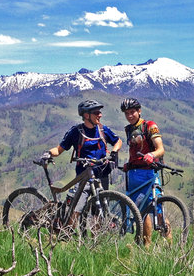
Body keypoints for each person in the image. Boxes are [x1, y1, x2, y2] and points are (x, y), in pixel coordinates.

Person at [42, 99, 122, 225]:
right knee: (77, 209)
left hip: (102, 174)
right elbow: (59, 149)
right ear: (86, 115)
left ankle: (97, 241)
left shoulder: (102, 129)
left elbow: (118, 141)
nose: (100, 115)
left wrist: (114, 152)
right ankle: (67, 233)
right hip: (84, 176)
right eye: (96, 112)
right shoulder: (76, 132)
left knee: (99, 211)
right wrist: (49, 153)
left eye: (100, 112)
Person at [120, 97, 168, 243]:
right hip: (133, 175)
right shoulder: (129, 129)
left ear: (139, 111)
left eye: (132, 112)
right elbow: (133, 151)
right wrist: (129, 164)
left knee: (158, 211)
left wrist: (151, 155)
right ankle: (145, 246)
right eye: (127, 113)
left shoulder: (150, 126)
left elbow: (161, 149)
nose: (129, 116)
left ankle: (170, 246)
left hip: (149, 173)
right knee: (140, 212)